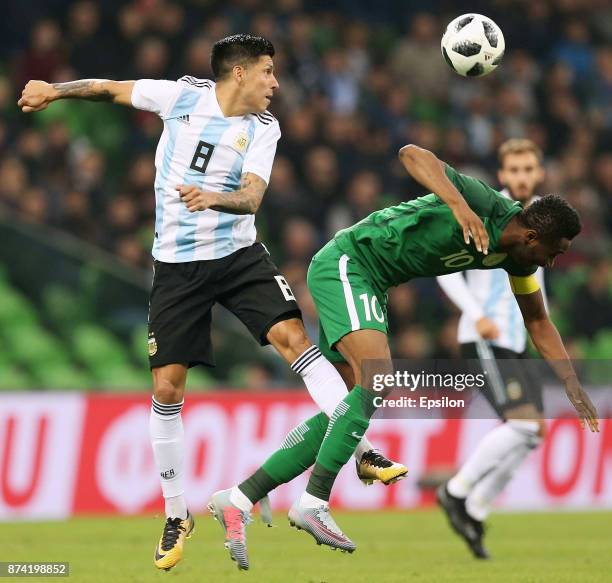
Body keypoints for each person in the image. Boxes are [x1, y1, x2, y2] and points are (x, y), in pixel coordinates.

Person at [18, 34, 406, 572]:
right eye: (268, 72)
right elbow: (109, 89)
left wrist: (215, 199)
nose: (275, 83)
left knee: (296, 341)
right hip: (177, 269)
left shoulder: (263, 128)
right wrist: (54, 91)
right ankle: (177, 514)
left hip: (239, 256)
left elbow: (251, 196)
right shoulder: (181, 98)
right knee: (167, 387)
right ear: (240, 73)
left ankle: (359, 450)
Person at [207, 143, 599, 569]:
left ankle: (240, 496)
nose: (554, 263)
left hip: (373, 283)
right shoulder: (487, 204)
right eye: (554, 252)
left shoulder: (519, 263)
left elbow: (538, 322)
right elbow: (411, 153)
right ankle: (313, 501)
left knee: (347, 406)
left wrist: (568, 380)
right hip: (349, 263)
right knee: (378, 380)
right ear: (532, 236)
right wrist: (458, 204)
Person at [435, 138, 548, 559]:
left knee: (535, 433)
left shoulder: (544, 219)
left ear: (538, 174)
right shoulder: (488, 213)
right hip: (485, 335)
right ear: (502, 175)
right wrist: (472, 310)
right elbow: (443, 269)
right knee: (522, 425)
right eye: (513, 170)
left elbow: (539, 289)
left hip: (517, 340)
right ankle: (457, 491)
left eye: (527, 169)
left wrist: (543, 334)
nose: (520, 176)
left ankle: (476, 511)